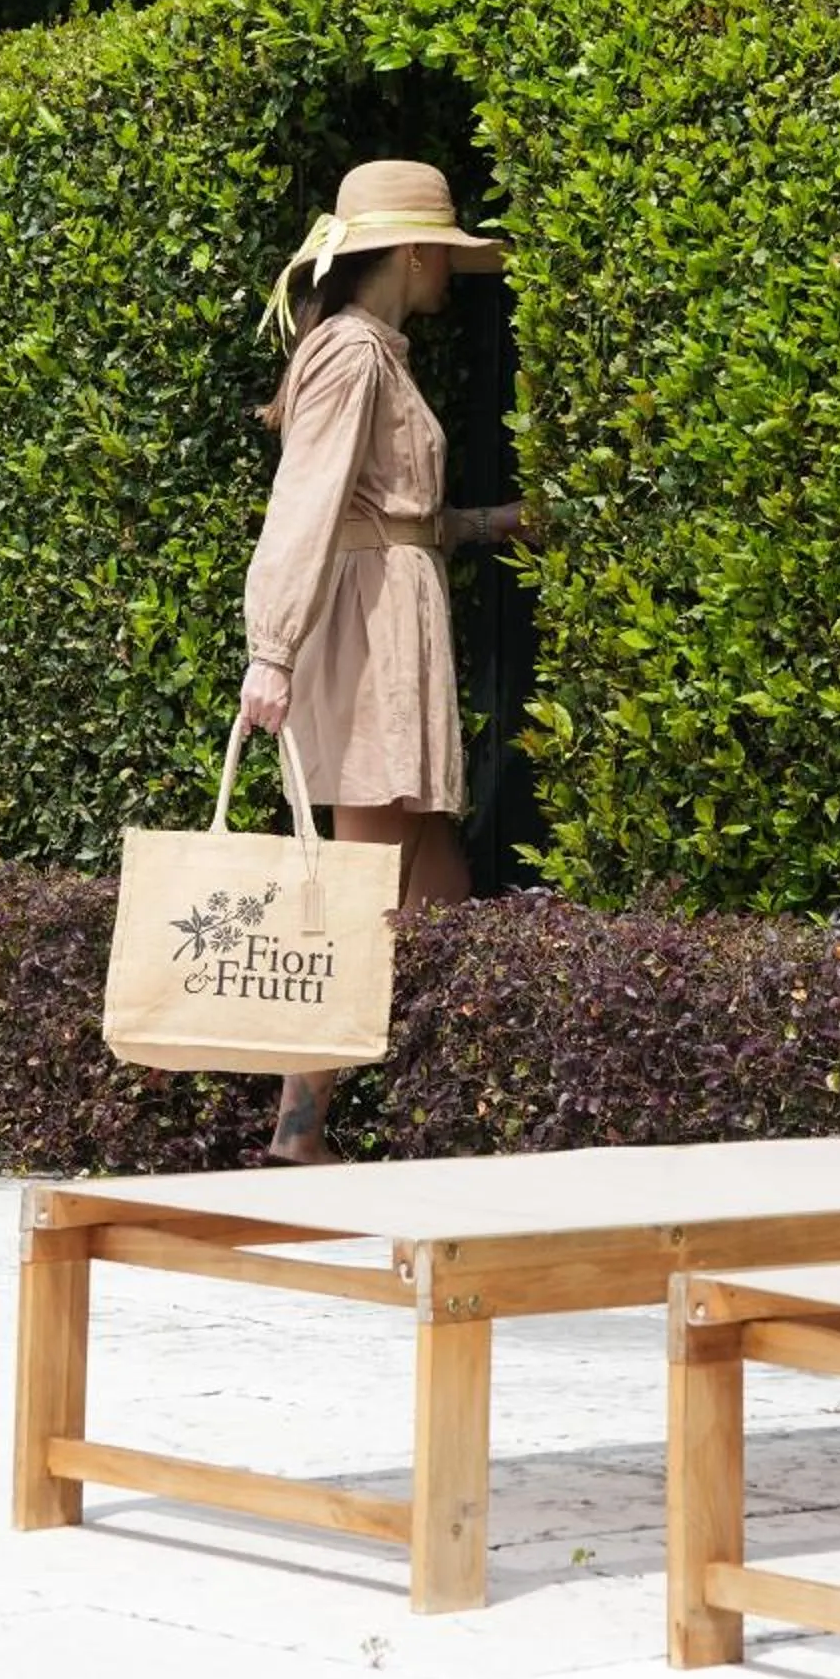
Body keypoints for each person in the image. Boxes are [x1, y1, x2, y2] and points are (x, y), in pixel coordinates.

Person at [239, 159, 522, 1162]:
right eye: (443, 253)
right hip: (359, 634)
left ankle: (446, 1099)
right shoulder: (353, 355)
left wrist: (491, 525)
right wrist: (268, 652)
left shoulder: (371, 353)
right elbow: (307, 504)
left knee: (429, 877)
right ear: (410, 252)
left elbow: (388, 516)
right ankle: (296, 1128)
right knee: (359, 885)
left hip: (387, 617)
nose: (450, 272)